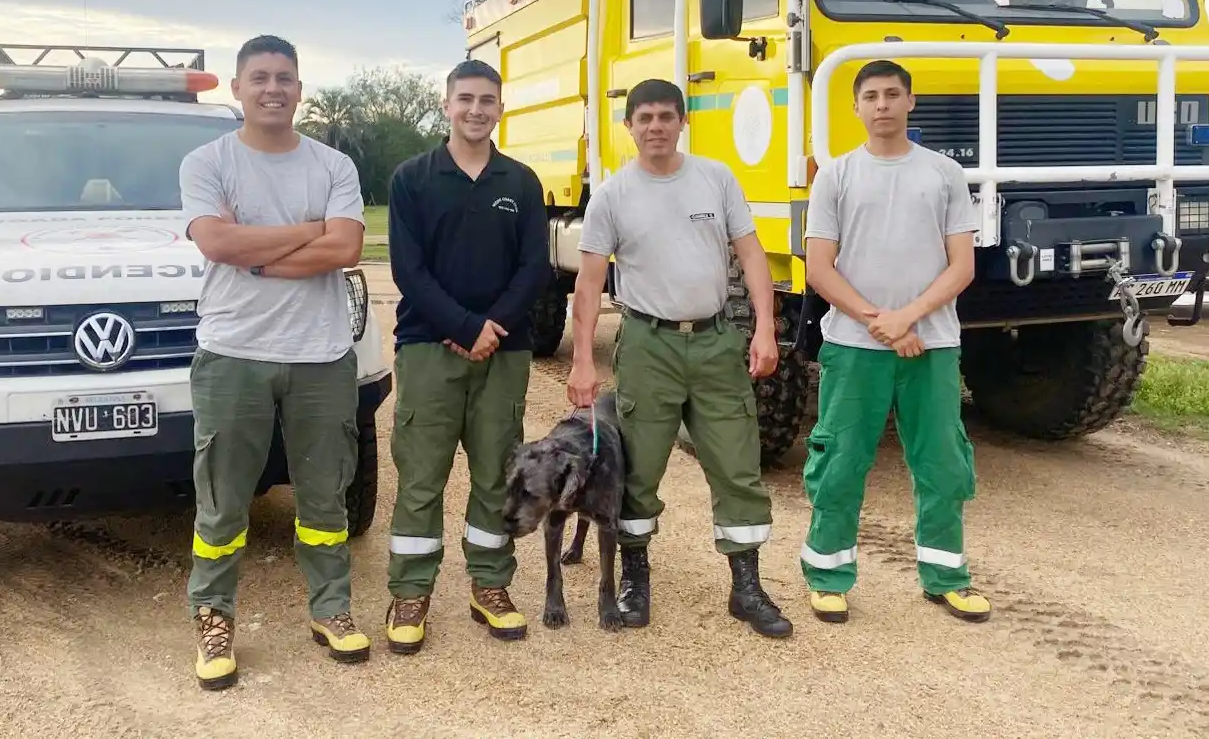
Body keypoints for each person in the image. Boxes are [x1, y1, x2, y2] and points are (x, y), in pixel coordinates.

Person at [565, 78, 793, 638]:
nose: (656, 127)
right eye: (644, 118)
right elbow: (590, 285)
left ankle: (746, 587)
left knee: (738, 464)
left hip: (717, 344)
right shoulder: (613, 196)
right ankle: (636, 579)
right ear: (629, 127)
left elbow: (752, 256)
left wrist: (765, 328)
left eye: (667, 116)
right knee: (641, 469)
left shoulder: (714, 179)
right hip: (649, 345)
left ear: (683, 121)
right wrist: (582, 361)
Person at [178, 34, 369, 689]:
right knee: (223, 502)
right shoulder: (207, 162)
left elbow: (345, 248)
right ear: (237, 88)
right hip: (233, 353)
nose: (272, 88)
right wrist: (306, 230)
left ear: (299, 89)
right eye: (259, 77)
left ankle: (332, 609)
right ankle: (213, 616)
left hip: (320, 355)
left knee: (325, 496)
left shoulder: (333, 166)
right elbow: (214, 240)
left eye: (284, 77)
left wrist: (254, 250)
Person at [801, 58, 990, 625]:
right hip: (855, 347)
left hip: (931, 345)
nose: (881, 105)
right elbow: (818, 267)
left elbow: (962, 267)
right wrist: (876, 321)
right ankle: (828, 575)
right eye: (871, 97)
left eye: (892, 95)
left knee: (942, 462)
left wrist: (908, 318)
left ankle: (946, 576)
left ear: (911, 102)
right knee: (841, 460)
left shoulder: (944, 173)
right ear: (855, 107)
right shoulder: (835, 176)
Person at [382, 58, 550, 655]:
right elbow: (409, 268)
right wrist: (460, 326)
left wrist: (491, 327)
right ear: (446, 104)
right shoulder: (413, 178)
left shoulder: (521, 182)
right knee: (421, 479)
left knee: (495, 476)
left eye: (487, 100)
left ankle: (490, 585)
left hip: (503, 352)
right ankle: (409, 593)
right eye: (465, 99)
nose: (476, 109)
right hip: (430, 347)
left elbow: (535, 268)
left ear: (501, 108)